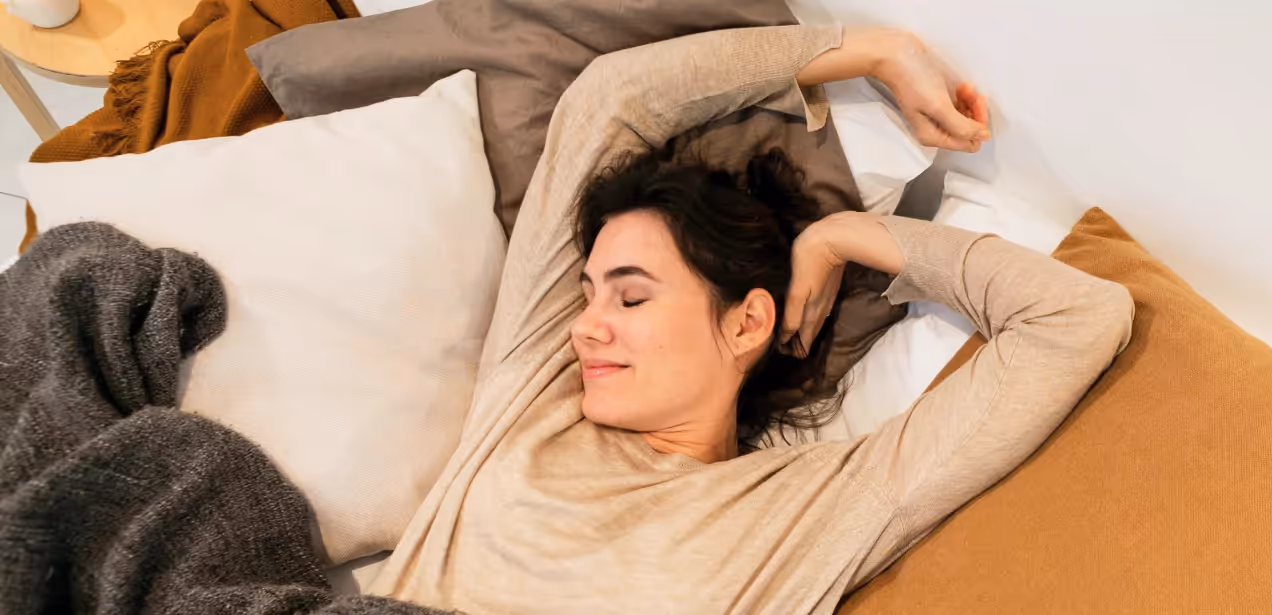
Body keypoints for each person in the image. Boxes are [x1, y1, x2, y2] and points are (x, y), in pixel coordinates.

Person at [368, 25, 1134, 614]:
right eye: (589, 291)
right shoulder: (537, 395)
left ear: (746, 323)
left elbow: (1074, 319)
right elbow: (610, 100)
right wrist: (866, 48)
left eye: (630, 297)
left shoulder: (800, 513)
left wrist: (847, 238)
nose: (584, 324)